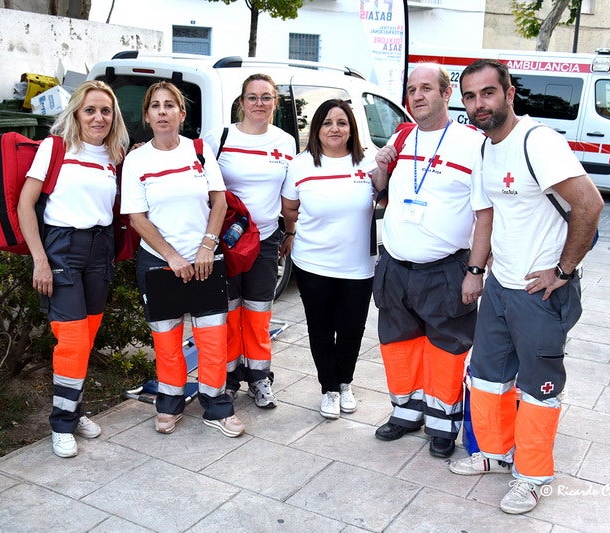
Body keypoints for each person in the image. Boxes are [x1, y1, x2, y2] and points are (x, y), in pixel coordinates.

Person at [448, 59, 603, 515]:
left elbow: (589, 205)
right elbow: (488, 215)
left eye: (488, 93)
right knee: (490, 378)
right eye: (471, 96)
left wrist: (564, 270)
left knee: (539, 387)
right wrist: (476, 273)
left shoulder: (538, 141)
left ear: (509, 93)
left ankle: (532, 476)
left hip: (541, 292)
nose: (479, 104)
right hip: (500, 285)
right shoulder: (484, 149)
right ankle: (495, 452)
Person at [371, 63, 492, 459]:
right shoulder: (402, 136)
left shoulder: (472, 143)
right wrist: (382, 167)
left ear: (446, 94)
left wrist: (475, 271)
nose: (417, 96)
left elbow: (485, 213)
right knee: (397, 344)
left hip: (445, 269)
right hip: (395, 265)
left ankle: (442, 424)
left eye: (426, 88)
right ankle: (406, 412)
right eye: (411, 89)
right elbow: (380, 190)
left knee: (447, 348)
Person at [120, 81, 245, 438]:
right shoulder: (137, 160)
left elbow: (219, 201)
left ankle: (216, 405)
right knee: (166, 337)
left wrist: (207, 246)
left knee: (212, 337)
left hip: (205, 260)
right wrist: (172, 256)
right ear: (147, 116)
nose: (163, 111)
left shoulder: (199, 151)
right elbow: (137, 217)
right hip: (159, 264)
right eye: (156, 106)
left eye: (170, 105)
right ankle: (170, 401)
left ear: (182, 113)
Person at [17, 80, 129, 458]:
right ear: (76, 113)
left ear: (114, 117)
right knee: (73, 340)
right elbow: (25, 204)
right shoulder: (55, 148)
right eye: (90, 110)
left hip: (101, 250)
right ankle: (62, 423)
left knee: (88, 335)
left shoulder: (114, 156)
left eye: (106, 111)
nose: (98, 117)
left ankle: (73, 407)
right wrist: (40, 260)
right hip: (63, 248)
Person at [203, 74, 296, 409]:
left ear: (275, 102)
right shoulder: (219, 137)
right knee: (227, 313)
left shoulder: (285, 142)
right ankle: (228, 378)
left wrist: (290, 231)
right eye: (252, 97)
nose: (259, 103)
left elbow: (289, 194)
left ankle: (259, 378)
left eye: (266, 97)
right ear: (241, 102)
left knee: (258, 314)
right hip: (228, 241)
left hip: (267, 240)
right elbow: (198, 180)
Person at [280, 99, 376, 419]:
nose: (334, 129)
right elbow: (289, 209)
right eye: (327, 123)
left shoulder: (370, 163)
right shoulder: (301, 164)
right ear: (317, 129)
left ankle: (345, 381)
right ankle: (329, 388)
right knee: (320, 328)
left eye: (342, 122)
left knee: (351, 329)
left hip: (359, 265)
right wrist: (293, 233)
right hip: (313, 262)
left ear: (352, 128)